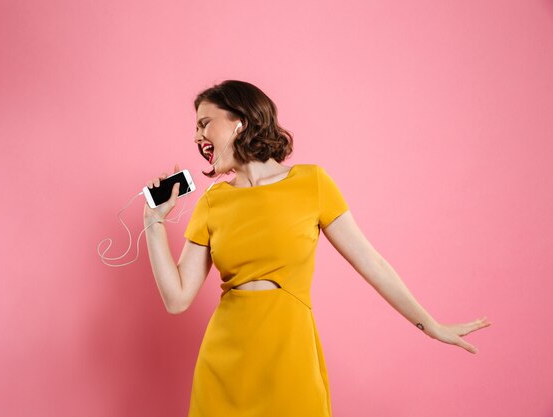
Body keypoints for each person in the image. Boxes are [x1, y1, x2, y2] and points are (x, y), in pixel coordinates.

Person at [143, 80, 491, 417]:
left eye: (205, 123)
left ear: (240, 122)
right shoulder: (213, 202)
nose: (196, 136)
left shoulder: (312, 184)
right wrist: (154, 223)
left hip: (289, 355)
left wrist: (431, 325)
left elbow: (372, 263)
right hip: (223, 363)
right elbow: (177, 299)